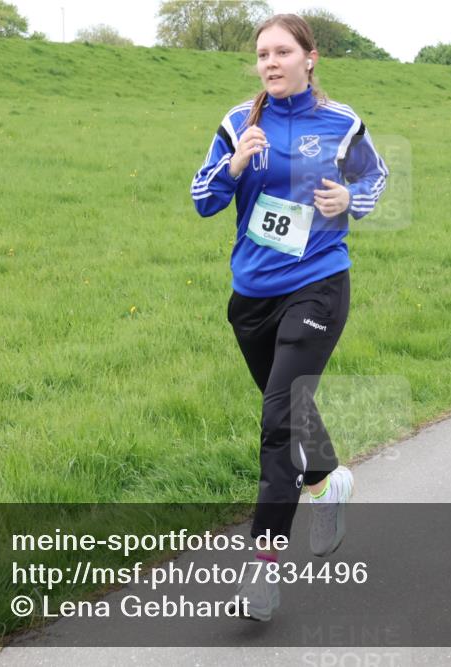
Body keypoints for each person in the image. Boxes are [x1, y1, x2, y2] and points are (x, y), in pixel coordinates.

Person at [190, 13, 388, 621]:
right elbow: (202, 200)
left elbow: (376, 178)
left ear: (310, 58)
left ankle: (262, 570)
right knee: (292, 409)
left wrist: (351, 200)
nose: (270, 62)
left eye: (281, 52)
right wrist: (233, 168)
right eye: (262, 54)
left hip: (318, 285)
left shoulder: (341, 122)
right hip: (251, 295)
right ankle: (327, 481)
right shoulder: (237, 123)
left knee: (279, 418)